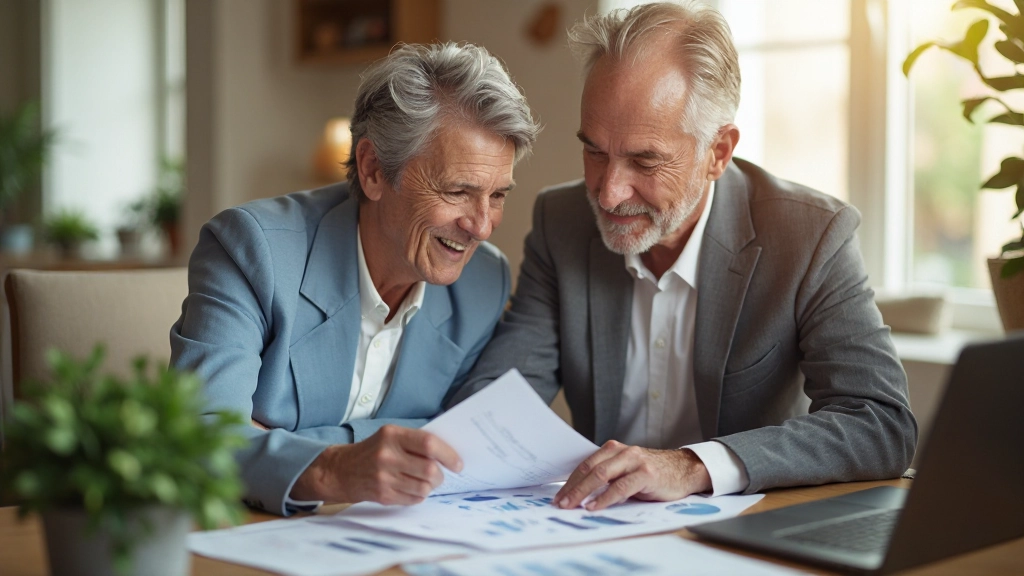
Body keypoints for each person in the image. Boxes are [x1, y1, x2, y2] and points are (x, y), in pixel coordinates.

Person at [449, 1, 917, 511]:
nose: (608, 193)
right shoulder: (561, 221)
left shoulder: (810, 236)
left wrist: (693, 466)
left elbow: (881, 424)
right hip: (593, 526)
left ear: (718, 152)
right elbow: (499, 400)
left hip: (744, 531)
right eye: (596, 151)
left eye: (645, 161)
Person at [170, 42, 539, 516]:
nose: (482, 226)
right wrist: (334, 470)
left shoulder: (484, 282)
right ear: (373, 170)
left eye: (498, 196)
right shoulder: (251, 249)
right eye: (457, 191)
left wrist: (280, 445)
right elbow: (198, 436)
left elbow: (462, 443)